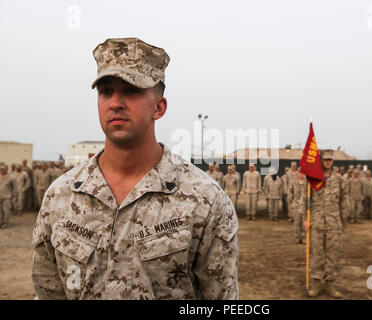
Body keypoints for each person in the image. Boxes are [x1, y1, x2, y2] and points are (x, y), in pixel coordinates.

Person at [31, 37, 238, 300]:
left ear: (159, 107)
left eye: (130, 91)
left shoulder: (205, 200)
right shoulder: (61, 196)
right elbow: (48, 292)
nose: (115, 102)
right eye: (106, 91)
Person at [301, 150, 347, 298]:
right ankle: (316, 283)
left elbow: (344, 202)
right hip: (316, 222)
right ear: (321, 161)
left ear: (333, 161)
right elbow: (304, 200)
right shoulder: (313, 179)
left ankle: (329, 284)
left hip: (334, 223)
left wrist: (343, 221)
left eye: (330, 160)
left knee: (332, 255)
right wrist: (305, 219)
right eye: (325, 160)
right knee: (316, 254)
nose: (328, 162)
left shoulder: (339, 180)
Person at [289, 171, 306, 243]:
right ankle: (297, 237)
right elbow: (289, 192)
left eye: (303, 173)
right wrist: (290, 202)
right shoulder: (293, 182)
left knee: (304, 222)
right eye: (300, 173)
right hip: (296, 205)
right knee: (297, 222)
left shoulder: (307, 183)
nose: (301, 174)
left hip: (304, 205)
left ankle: (304, 237)